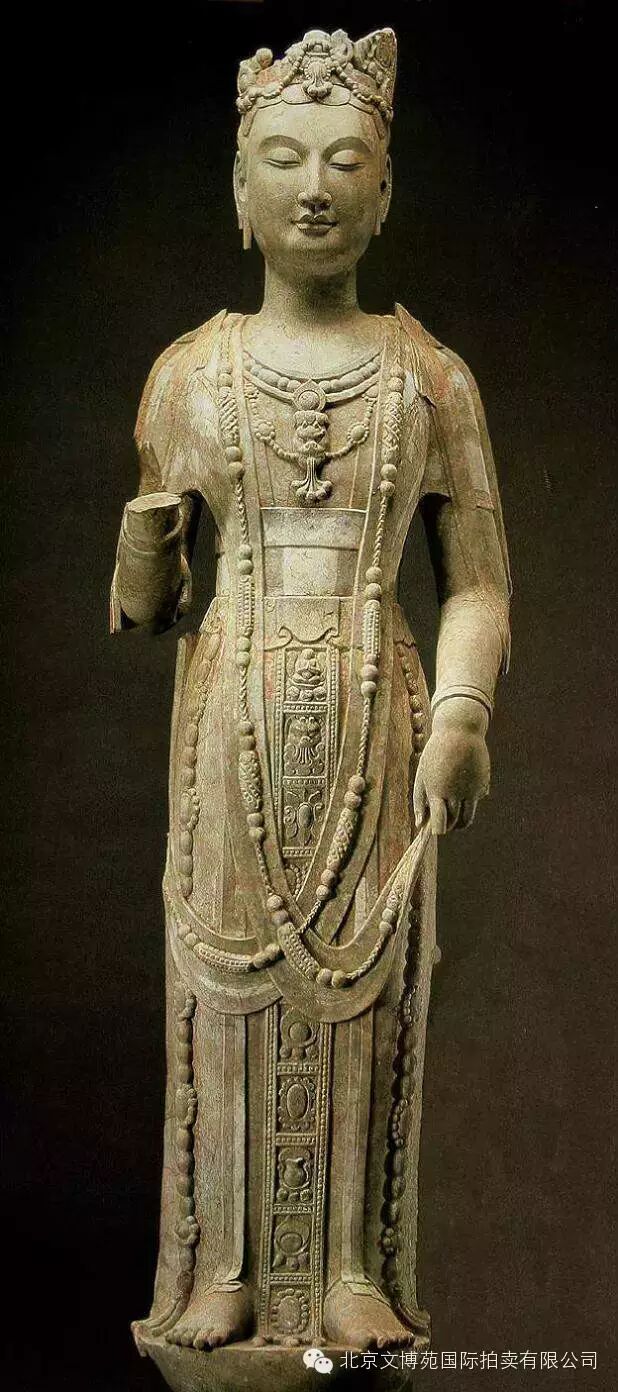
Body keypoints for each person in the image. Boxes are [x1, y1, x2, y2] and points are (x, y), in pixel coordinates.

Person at [111, 26, 510, 1366]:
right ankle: (224, 1270)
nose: (315, 187)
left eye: (346, 161)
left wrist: (462, 713)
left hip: (372, 713)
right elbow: (150, 607)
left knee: (366, 991)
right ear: (240, 192)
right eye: (283, 160)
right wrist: (145, 549)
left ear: (385, 193)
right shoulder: (189, 373)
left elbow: (477, 582)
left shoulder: (429, 378)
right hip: (230, 714)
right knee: (225, 987)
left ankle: (345, 1271)